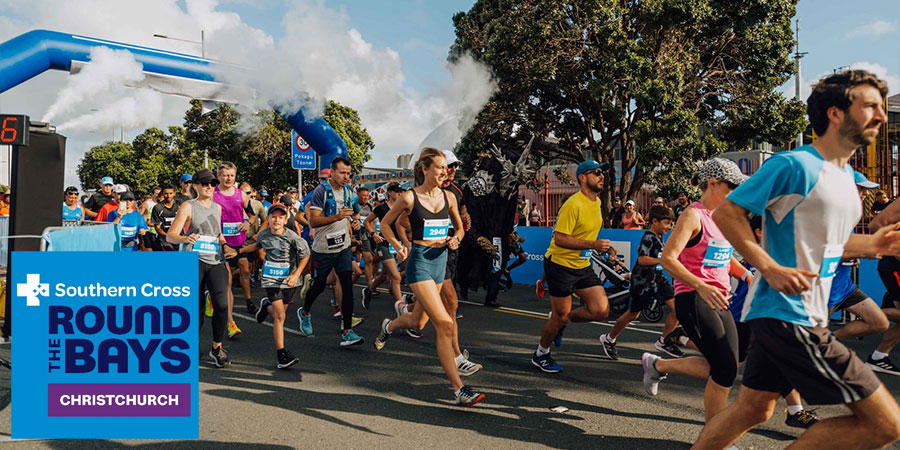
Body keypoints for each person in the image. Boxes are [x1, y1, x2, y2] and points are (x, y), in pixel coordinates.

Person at [693, 70, 900, 450]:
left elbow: (824, 245)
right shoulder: (795, 165)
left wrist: (872, 247)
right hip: (790, 314)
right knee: (887, 425)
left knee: (754, 409)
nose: (881, 115)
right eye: (870, 105)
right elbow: (728, 213)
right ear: (836, 113)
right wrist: (768, 266)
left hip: (800, 312)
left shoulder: (847, 182)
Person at [639, 158, 749, 426]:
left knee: (728, 366)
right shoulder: (693, 215)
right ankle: (714, 437)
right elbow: (668, 259)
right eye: (732, 186)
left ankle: (657, 366)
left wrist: (747, 275)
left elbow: (723, 258)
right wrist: (700, 284)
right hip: (694, 296)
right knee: (724, 370)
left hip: (719, 298)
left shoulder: (722, 217)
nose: (736, 192)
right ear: (713, 184)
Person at [372, 148, 485, 406]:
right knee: (445, 323)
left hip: (440, 261)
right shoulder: (410, 198)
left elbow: (459, 228)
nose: (445, 172)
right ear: (425, 169)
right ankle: (459, 390)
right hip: (420, 263)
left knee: (416, 321)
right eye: (440, 167)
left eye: (446, 168)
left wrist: (456, 239)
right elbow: (387, 224)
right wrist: (398, 245)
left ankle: (388, 326)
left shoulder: (450, 197)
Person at [530, 160, 612, 373]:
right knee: (560, 315)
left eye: (602, 173)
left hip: (581, 264)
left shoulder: (597, 202)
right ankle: (541, 354)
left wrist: (602, 248)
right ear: (583, 177)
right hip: (560, 265)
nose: (601, 176)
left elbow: (586, 234)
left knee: (601, 310)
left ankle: (560, 320)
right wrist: (593, 245)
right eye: (597, 173)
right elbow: (560, 239)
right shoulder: (573, 204)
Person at [167, 169, 238, 368]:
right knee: (195, 307)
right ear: (195, 186)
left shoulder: (217, 208)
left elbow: (218, 234)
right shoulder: (188, 206)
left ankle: (216, 347)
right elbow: (170, 235)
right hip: (193, 260)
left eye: (212, 184)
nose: (209, 187)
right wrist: (184, 238)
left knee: (222, 305)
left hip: (215, 260)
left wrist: (226, 245)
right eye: (205, 183)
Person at [600, 205, 684, 359]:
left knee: (678, 308)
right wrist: (662, 260)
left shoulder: (658, 237)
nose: (669, 227)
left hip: (658, 279)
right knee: (633, 314)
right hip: (643, 282)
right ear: (655, 221)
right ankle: (609, 338)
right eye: (666, 223)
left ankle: (664, 341)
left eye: (670, 223)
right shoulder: (648, 237)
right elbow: (642, 259)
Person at [298, 157, 365, 346]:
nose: (346, 177)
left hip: (343, 247)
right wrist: (337, 217)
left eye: (348, 174)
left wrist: (356, 221)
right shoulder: (321, 192)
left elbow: (356, 211)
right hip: (322, 248)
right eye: (342, 173)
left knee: (346, 285)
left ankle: (347, 332)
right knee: (319, 285)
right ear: (332, 172)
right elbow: (314, 221)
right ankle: (305, 312)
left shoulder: (349, 192)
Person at [248, 202, 311, 369]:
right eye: (273, 216)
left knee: (279, 311)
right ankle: (281, 355)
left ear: (286, 219)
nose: (276, 220)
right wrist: (238, 251)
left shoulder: (293, 237)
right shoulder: (263, 234)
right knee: (280, 317)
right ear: (268, 218)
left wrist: (296, 274)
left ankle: (266, 307)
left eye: (280, 217)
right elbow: (257, 246)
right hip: (270, 278)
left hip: (289, 280)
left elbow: (305, 256)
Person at [214, 162, 258, 337]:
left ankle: (245, 301)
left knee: (245, 271)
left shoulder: (241, 195)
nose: (228, 178)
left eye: (231, 175)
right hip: (220, 242)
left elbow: (253, 216)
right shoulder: (213, 194)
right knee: (228, 282)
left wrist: (248, 223)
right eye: (225, 175)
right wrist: (221, 240)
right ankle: (231, 322)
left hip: (239, 242)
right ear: (218, 176)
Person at [150, 184, 179, 251]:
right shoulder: (158, 208)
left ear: (174, 193)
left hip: (178, 237)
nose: (168, 196)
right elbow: (157, 228)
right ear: (162, 194)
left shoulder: (179, 206)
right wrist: (168, 236)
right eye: (166, 194)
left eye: (170, 193)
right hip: (164, 239)